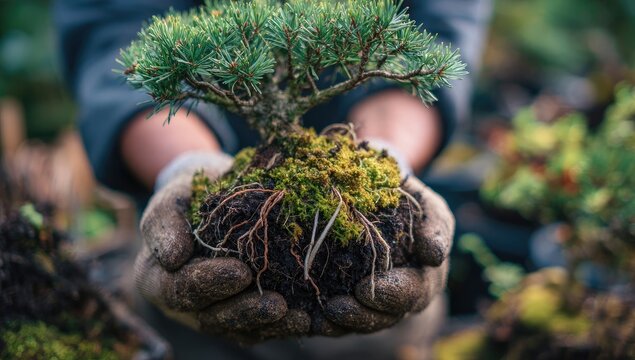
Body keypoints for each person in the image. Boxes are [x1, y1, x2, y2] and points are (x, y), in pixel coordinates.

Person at [54, 0, 492, 358]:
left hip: (380, 340)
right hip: (194, 338)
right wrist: (186, 164)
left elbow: (437, 36)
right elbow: (119, 48)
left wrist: (388, 156)